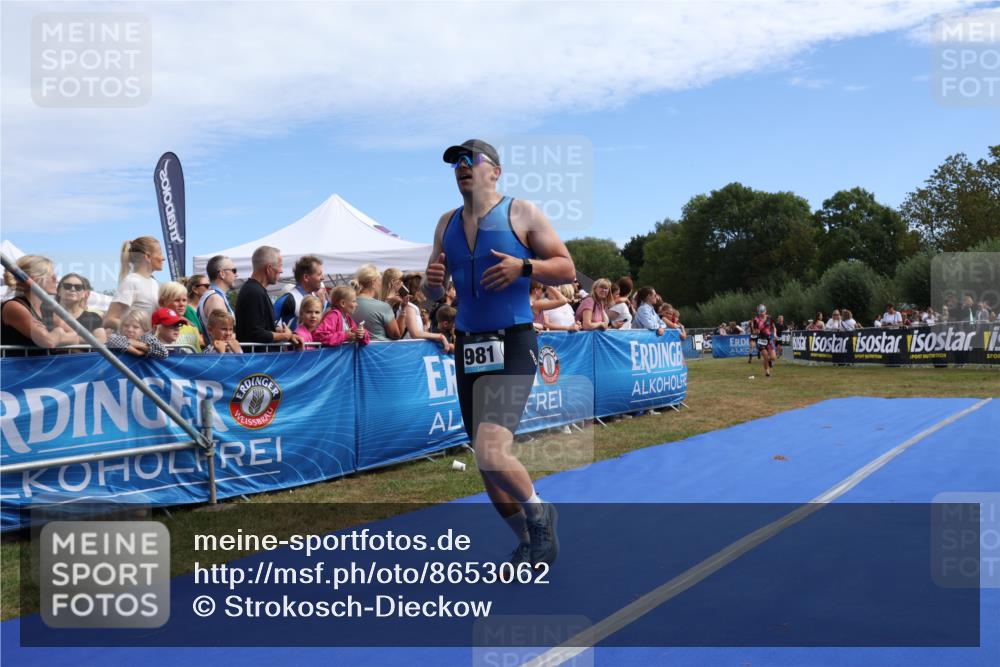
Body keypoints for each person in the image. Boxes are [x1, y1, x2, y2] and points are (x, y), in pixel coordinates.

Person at [423, 138, 575, 569]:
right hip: (470, 344)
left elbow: (565, 266)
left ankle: (540, 513)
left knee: (492, 448)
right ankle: (529, 542)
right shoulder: (446, 222)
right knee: (486, 463)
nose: (462, 168)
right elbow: (431, 291)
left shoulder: (521, 212)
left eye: (470, 160)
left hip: (512, 338)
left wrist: (523, 267)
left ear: (495, 170)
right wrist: (433, 281)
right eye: (455, 163)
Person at [2, 255, 83, 349]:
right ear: (36, 279)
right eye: (51, 276)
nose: (56, 280)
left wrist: (56, 336)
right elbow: (48, 342)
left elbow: (77, 335)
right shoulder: (14, 307)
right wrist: (59, 331)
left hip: (43, 363)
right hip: (19, 363)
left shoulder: (48, 309)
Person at [234, 246, 303, 349]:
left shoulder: (255, 290)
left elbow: (262, 327)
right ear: (269, 268)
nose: (281, 271)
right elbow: (255, 333)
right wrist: (284, 335)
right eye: (280, 266)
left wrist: (289, 335)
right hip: (258, 361)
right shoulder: (254, 292)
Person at [103, 236, 163, 331]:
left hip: (149, 343)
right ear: (147, 256)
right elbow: (109, 319)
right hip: (135, 344)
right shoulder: (131, 282)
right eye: (160, 253)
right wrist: (136, 331)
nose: (163, 258)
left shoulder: (154, 283)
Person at [354, 264, 408, 341]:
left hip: (356, 351)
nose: (380, 284)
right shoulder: (383, 306)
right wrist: (403, 310)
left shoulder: (349, 303)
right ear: (373, 283)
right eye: (379, 280)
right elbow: (396, 335)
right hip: (380, 350)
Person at [400, 272, 451, 352]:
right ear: (417, 292)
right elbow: (415, 334)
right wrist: (440, 336)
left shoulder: (413, 307)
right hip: (408, 351)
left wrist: (426, 325)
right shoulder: (409, 307)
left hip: (412, 350)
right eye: (424, 289)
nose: (427, 292)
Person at [274, 255, 328, 330]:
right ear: (306, 277)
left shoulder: (315, 297)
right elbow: (269, 326)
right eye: (319, 274)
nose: (323, 277)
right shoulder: (288, 299)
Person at [197, 255, 238, 344]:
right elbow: (221, 338)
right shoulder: (216, 299)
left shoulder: (214, 296)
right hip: (220, 356)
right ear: (222, 274)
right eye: (234, 271)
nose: (236, 275)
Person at [56, 273, 107, 343]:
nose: (72, 289)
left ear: (84, 294)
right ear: (58, 291)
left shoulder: (93, 317)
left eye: (78, 287)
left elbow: (101, 340)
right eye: (67, 286)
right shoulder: (46, 313)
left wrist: (71, 339)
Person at [158, 282, 202, 352]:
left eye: (184, 300)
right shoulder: (156, 329)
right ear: (162, 302)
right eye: (176, 300)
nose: (182, 304)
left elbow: (197, 356)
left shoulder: (192, 329)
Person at [751, 304, 777, 377]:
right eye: (760, 313)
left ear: (766, 311)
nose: (762, 314)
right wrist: (756, 331)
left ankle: (769, 361)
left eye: (763, 312)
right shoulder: (756, 320)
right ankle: (767, 371)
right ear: (758, 312)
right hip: (761, 340)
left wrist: (774, 334)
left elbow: (773, 327)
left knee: (773, 358)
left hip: (769, 339)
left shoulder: (770, 318)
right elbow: (754, 330)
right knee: (765, 356)